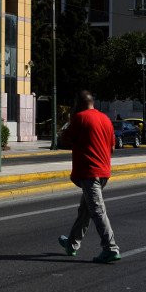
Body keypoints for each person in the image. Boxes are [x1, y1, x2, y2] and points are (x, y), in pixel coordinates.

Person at [58, 90, 121, 264]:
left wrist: (71, 118)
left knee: (97, 211)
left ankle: (111, 248)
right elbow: (112, 149)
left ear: (78, 103)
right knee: (85, 210)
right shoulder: (106, 119)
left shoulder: (79, 118)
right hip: (103, 172)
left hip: (89, 172)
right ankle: (71, 244)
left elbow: (63, 140)